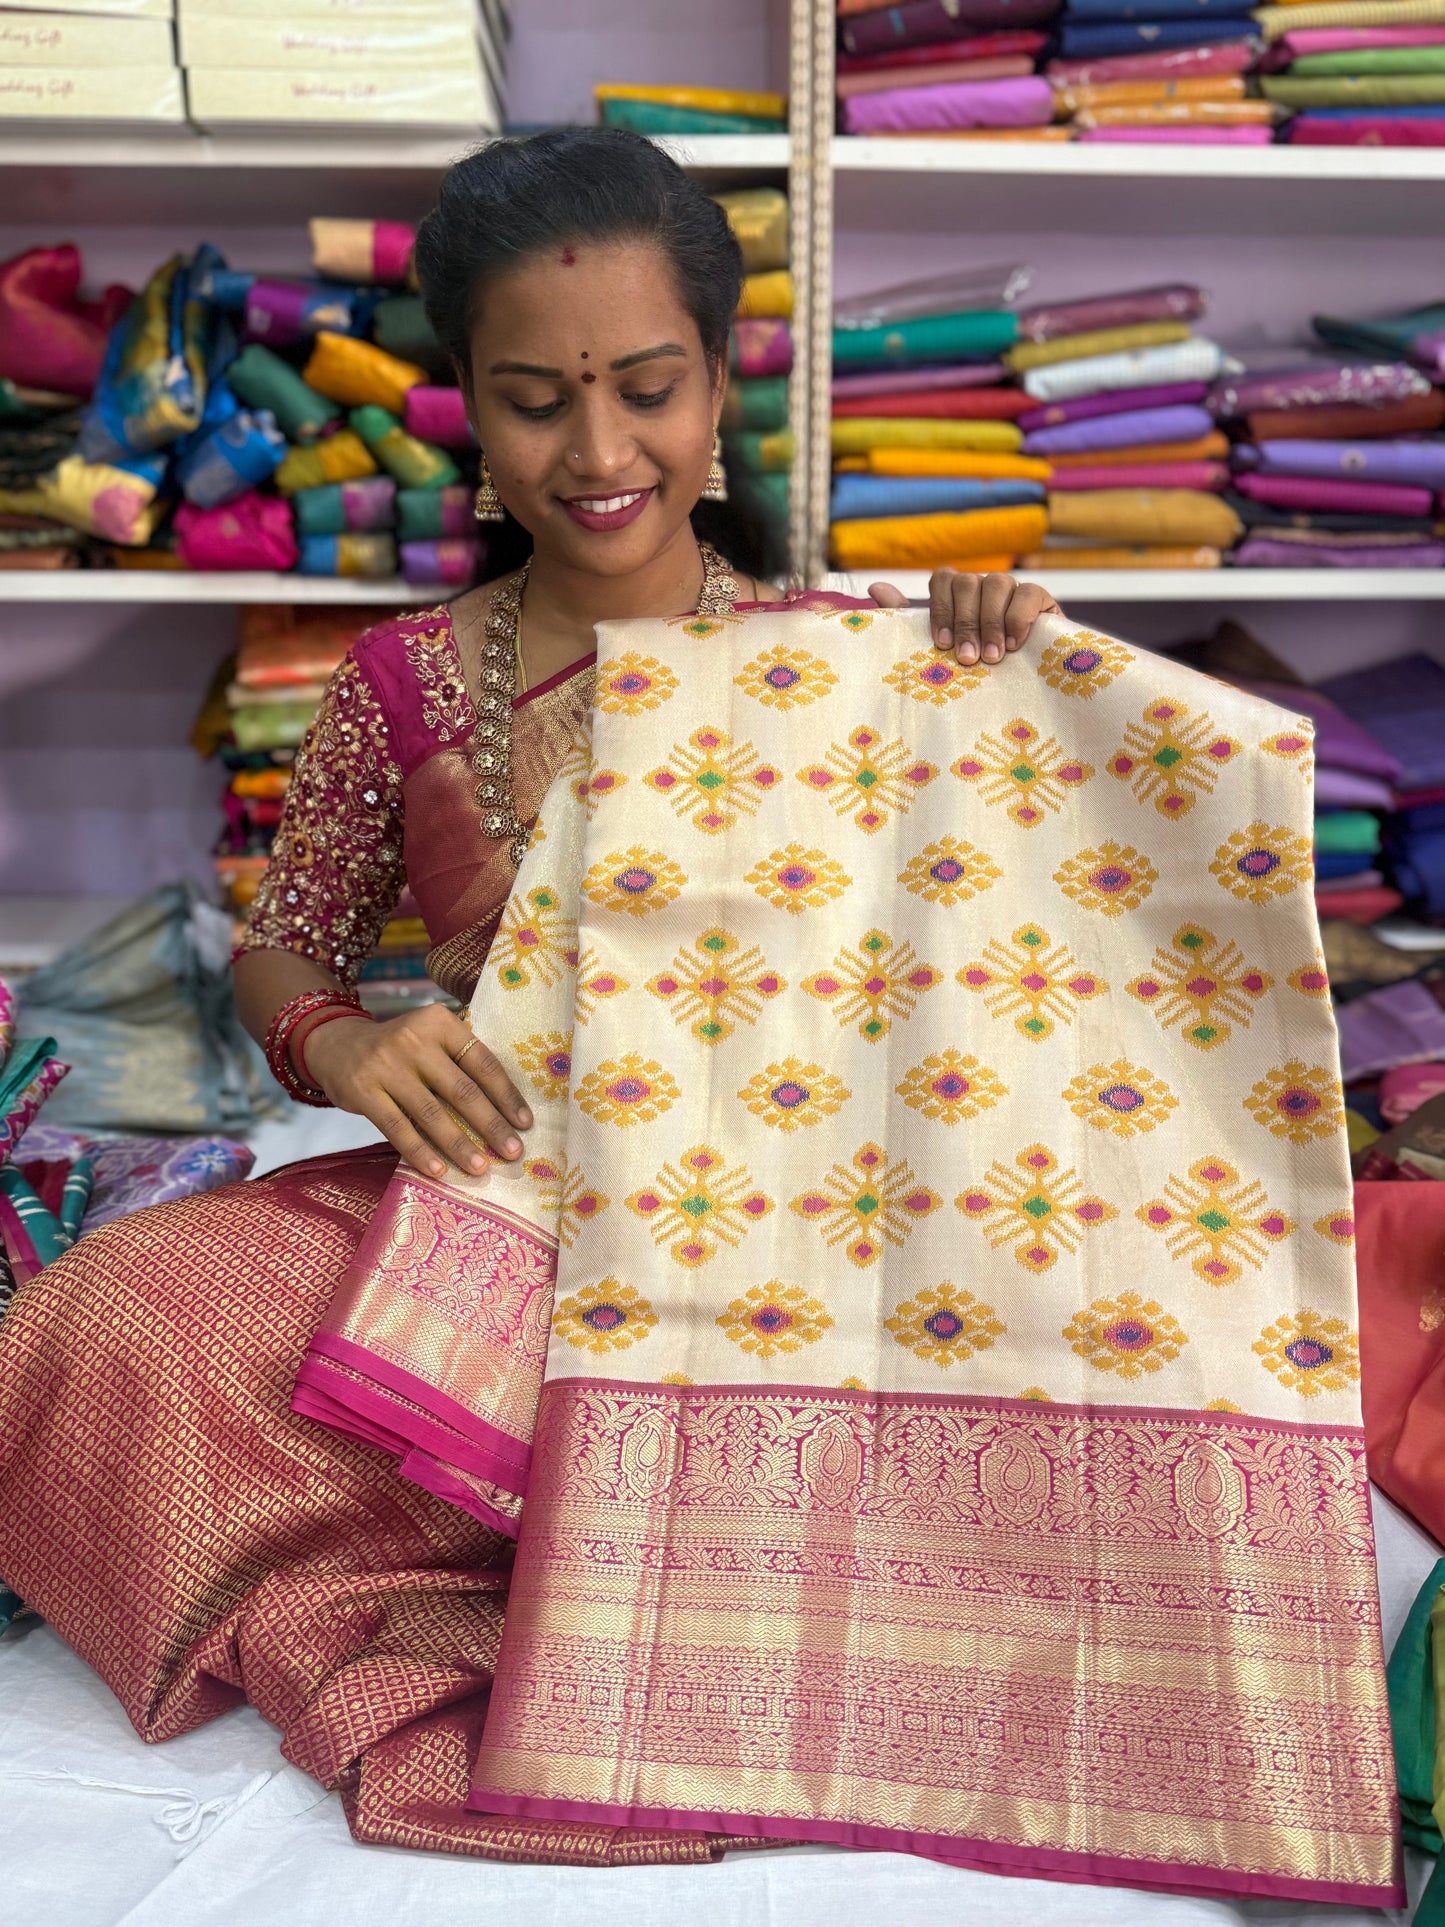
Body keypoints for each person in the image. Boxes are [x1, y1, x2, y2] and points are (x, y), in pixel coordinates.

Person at [0, 129, 1058, 1864]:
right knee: (110, 1319)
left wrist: (1008, 684)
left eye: (646, 389)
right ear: (470, 418)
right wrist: (344, 1038)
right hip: (495, 1213)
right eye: (536, 402)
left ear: (717, 388)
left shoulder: (866, 659)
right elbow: (285, 940)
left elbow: (1017, 967)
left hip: (791, 1233)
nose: (600, 452)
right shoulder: (407, 680)